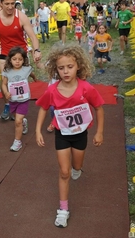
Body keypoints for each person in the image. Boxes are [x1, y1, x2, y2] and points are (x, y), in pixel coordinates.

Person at [35, 44, 104, 228]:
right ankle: (63, 210)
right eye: (61, 68)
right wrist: (37, 130)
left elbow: (98, 108)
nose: (65, 71)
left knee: (76, 167)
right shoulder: (52, 90)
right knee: (64, 172)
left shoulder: (86, 88)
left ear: (78, 66)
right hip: (62, 134)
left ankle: (77, 168)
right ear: (55, 69)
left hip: (80, 134)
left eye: (70, 67)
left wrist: (99, 132)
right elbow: (43, 108)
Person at [0, 0, 41, 121]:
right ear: (0, 4)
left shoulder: (20, 16)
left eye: (12, 3)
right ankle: (8, 105)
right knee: (5, 82)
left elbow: (33, 36)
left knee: (19, 82)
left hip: (21, 54)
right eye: (7, 4)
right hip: (4, 54)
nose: (10, 7)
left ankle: (20, 110)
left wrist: (37, 51)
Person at [1, 46, 33, 151]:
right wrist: (5, 92)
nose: (17, 62)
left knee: (17, 121)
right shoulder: (7, 71)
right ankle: (24, 121)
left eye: (20, 59)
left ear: (24, 60)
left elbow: (31, 73)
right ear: (10, 59)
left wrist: (35, 77)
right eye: (14, 59)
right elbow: (4, 84)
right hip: (13, 99)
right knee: (17, 117)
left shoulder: (26, 69)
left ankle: (17, 141)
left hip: (24, 100)